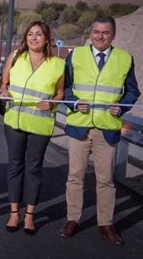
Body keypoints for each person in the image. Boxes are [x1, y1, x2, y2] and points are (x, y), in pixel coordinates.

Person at [60, 15, 140, 246]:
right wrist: (73, 102)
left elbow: (133, 91)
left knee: (105, 180)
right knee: (75, 177)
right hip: (80, 127)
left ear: (113, 35)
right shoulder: (76, 55)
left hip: (107, 128)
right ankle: (72, 219)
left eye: (105, 32)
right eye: (96, 32)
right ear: (90, 33)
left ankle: (105, 224)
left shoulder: (125, 58)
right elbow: (64, 88)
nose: (100, 36)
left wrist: (123, 106)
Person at [1, 21, 64, 234]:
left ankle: (29, 215)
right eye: (30, 34)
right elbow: (4, 84)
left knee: (34, 168)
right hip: (14, 122)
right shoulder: (16, 57)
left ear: (47, 39)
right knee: (15, 165)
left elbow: (60, 93)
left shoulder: (58, 64)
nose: (33, 38)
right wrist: (4, 91)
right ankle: (13, 213)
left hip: (40, 123)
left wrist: (54, 103)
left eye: (38, 34)